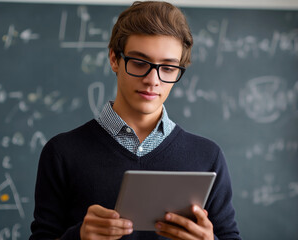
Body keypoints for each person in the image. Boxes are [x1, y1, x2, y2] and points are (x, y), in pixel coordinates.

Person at [30, 1, 241, 239]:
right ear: (114, 59)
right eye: (140, 63)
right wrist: (78, 236)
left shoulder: (207, 156)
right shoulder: (62, 152)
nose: (153, 80)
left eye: (168, 68)